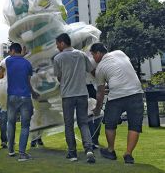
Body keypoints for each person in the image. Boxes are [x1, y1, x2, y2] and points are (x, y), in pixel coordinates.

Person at [90, 43, 144, 164]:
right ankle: (128, 154)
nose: (93, 58)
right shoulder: (120, 52)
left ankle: (110, 150)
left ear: (98, 53)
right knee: (135, 125)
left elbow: (100, 92)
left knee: (109, 123)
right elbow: (122, 69)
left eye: (93, 55)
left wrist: (98, 109)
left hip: (117, 96)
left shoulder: (100, 68)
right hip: (136, 92)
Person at [53, 33, 95, 163]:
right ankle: (89, 149)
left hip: (67, 95)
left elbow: (58, 77)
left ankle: (72, 153)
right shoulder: (81, 55)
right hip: (82, 93)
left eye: (57, 44)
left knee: (69, 124)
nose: (57, 47)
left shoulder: (58, 58)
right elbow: (91, 70)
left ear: (62, 43)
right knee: (83, 123)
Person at [6, 43, 38, 161]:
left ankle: (10, 150)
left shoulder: (9, 62)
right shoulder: (28, 64)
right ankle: (22, 153)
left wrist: (22, 55)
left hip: (12, 97)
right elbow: (28, 82)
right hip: (25, 97)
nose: (9, 53)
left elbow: (14, 58)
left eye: (10, 51)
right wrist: (34, 93)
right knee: (25, 126)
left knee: (11, 123)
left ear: (13, 51)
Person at [0, 56, 9, 149]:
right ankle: (7, 139)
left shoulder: (6, 61)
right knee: (9, 120)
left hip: (3, 92)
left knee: (4, 118)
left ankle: (4, 140)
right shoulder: (21, 61)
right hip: (13, 92)